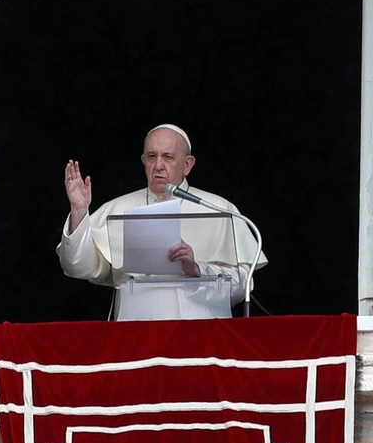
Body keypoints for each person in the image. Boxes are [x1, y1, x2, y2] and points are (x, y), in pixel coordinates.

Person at [56, 124, 267, 321]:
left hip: (201, 332)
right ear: (143, 162)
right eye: (151, 157)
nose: (158, 166)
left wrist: (197, 269)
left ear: (187, 164)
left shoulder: (220, 209)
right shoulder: (117, 209)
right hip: (135, 332)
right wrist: (79, 212)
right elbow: (78, 267)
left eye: (168, 157)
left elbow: (241, 287)